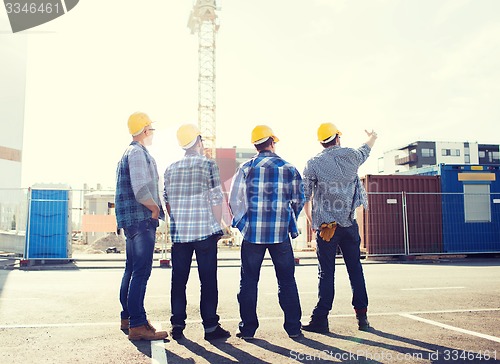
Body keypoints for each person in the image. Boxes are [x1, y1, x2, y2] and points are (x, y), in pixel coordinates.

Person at [229, 125, 305, 340]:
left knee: (249, 281)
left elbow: (234, 200)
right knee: (287, 281)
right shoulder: (288, 168)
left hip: (252, 235)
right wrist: (288, 219)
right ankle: (293, 328)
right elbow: (299, 199)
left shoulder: (246, 167)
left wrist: (243, 224)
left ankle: (247, 329)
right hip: (280, 235)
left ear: (255, 145)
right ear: (272, 142)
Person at [301, 122, 377, 333]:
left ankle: (321, 319)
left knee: (326, 273)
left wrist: (311, 222)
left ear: (321, 142)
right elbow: (366, 148)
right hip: (349, 224)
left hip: (326, 228)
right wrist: (373, 136)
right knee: (355, 270)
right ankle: (362, 318)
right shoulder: (352, 156)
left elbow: (305, 197)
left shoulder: (313, 163)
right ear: (338, 138)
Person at [163, 124, 231, 341]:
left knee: (178, 280)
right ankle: (210, 327)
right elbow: (215, 199)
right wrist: (218, 224)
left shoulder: (170, 168)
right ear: (199, 141)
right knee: (208, 280)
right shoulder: (208, 165)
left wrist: (177, 221)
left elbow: (168, 202)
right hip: (204, 233)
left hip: (180, 235)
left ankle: (177, 325)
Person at [115, 112, 168, 341]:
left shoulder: (128, 152)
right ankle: (137, 325)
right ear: (145, 130)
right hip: (142, 219)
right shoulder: (137, 153)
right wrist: (155, 209)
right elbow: (140, 189)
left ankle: (128, 317)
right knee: (141, 272)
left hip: (131, 221)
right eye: (151, 130)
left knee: (131, 270)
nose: (153, 134)